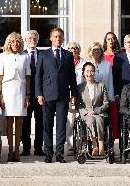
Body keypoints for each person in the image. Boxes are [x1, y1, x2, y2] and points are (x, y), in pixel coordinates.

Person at [35, 28, 77, 163]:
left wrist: (74, 93)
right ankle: (48, 153)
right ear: (51, 38)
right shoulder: (43, 54)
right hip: (47, 95)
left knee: (61, 125)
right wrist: (39, 94)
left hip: (63, 95)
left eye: (60, 37)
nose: (58, 39)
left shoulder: (68, 55)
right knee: (47, 125)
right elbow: (38, 76)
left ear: (63, 38)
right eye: (55, 36)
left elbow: (72, 76)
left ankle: (59, 153)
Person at [0, 32, 30, 162]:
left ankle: (17, 150)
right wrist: (0, 96)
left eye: (18, 41)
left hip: (21, 90)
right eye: (13, 41)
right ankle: (10, 150)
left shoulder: (25, 57)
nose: (15, 44)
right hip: (7, 90)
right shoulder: (2, 56)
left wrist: (27, 95)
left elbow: (28, 77)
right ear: (8, 43)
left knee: (20, 122)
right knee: (9, 121)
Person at [20, 30, 45, 156]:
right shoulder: (21, 55)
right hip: (25, 95)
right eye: (29, 38)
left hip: (40, 94)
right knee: (26, 122)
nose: (32, 40)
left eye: (34, 38)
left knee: (40, 122)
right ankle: (25, 147)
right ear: (25, 40)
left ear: (37, 40)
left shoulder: (43, 55)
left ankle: (39, 148)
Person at [77, 62, 109, 156]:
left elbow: (106, 103)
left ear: (95, 73)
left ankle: (101, 145)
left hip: (99, 113)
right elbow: (78, 105)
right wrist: (87, 112)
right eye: (87, 71)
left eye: (92, 71)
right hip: (86, 114)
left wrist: (96, 111)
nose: (89, 73)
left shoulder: (101, 86)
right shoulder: (80, 87)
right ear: (83, 73)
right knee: (90, 120)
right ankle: (94, 145)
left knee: (98, 119)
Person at [66, 41, 86, 156]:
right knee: (70, 121)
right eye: (71, 48)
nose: (73, 50)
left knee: (82, 121)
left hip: (82, 96)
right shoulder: (65, 62)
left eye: (76, 48)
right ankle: (70, 146)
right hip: (69, 96)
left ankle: (81, 145)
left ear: (79, 50)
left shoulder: (84, 63)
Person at [103, 32, 121, 140]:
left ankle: (112, 139)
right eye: (109, 39)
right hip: (104, 87)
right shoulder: (102, 55)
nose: (111, 41)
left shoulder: (120, 55)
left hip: (115, 87)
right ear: (105, 41)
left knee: (114, 116)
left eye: (113, 38)